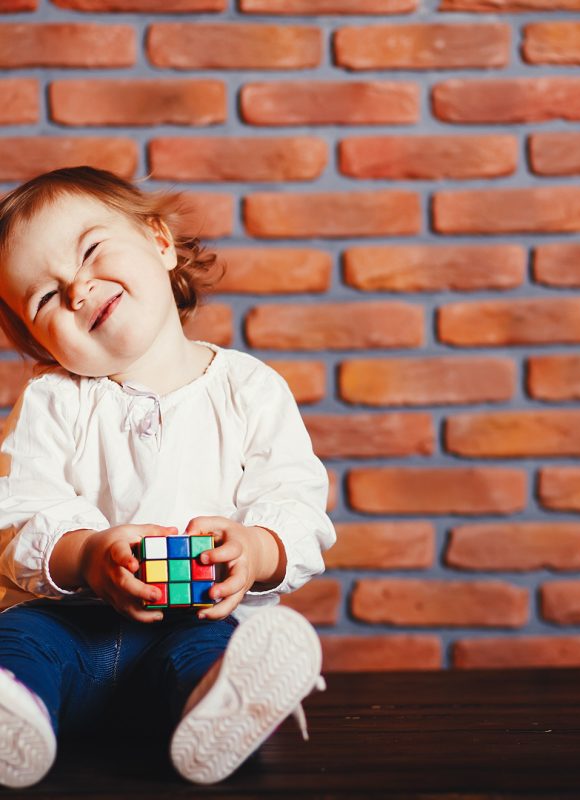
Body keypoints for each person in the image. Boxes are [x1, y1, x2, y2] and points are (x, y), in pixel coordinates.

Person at [0, 166, 336, 788]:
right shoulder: (52, 400)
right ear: (39, 342)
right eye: (45, 298)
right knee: (19, 638)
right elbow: (18, 516)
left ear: (159, 242)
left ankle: (217, 709)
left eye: (92, 250)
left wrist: (258, 548)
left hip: (196, 620)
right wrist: (90, 554)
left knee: (214, 652)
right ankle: (14, 710)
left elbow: (295, 502)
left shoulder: (250, 389)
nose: (77, 290)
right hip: (74, 628)